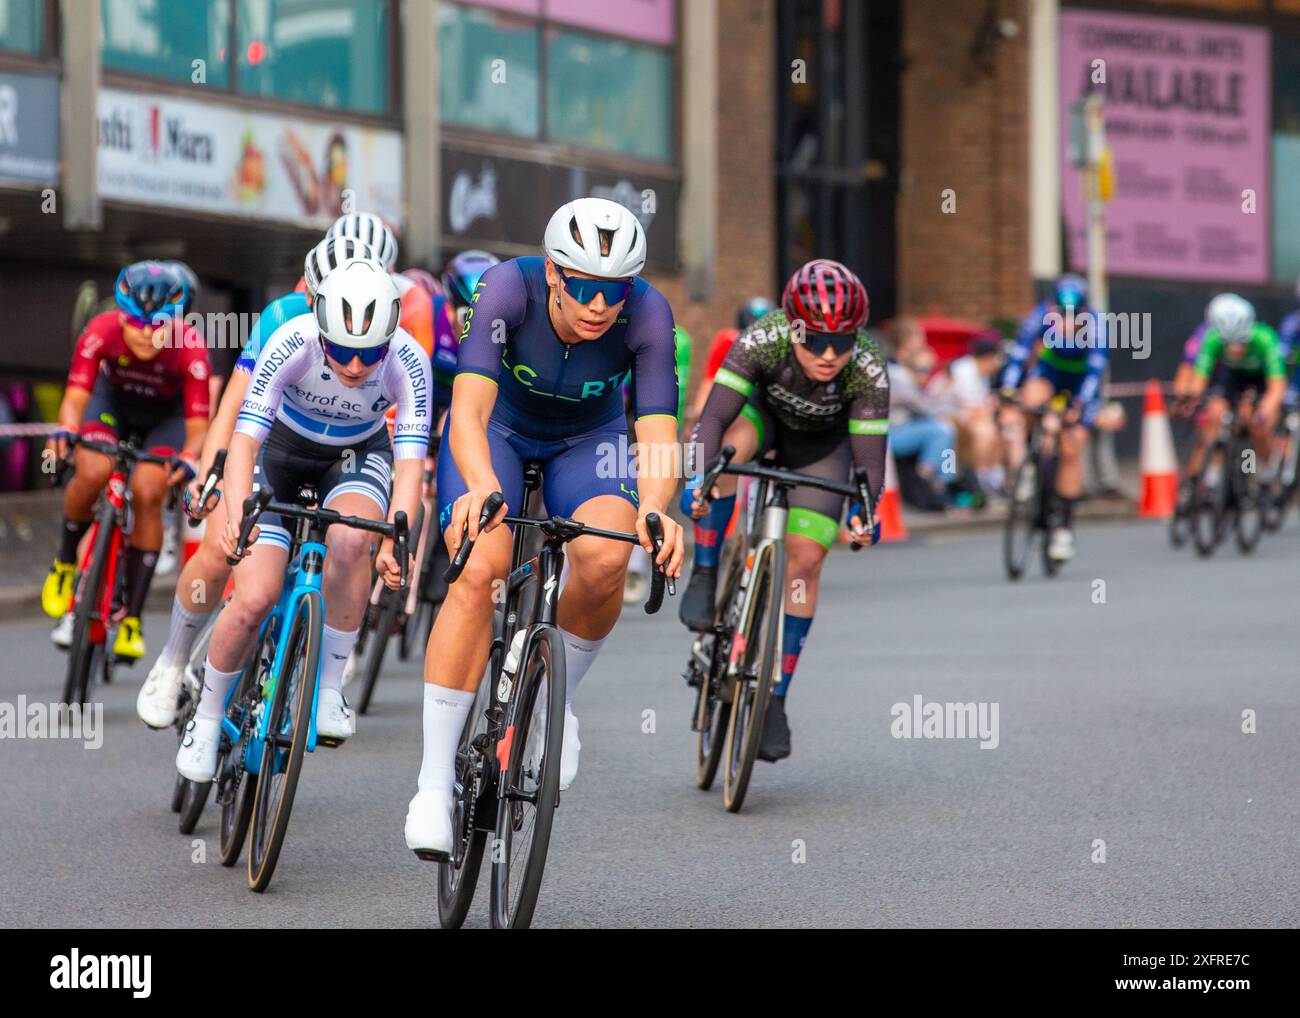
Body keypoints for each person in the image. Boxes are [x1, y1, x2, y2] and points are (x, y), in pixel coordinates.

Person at [404, 196, 685, 858]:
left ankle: (551, 705)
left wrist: (655, 508)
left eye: (612, 291)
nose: (598, 305)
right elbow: (468, 411)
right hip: (496, 432)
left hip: (588, 441)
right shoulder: (508, 288)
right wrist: (480, 487)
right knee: (479, 568)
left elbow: (658, 431)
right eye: (583, 287)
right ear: (555, 274)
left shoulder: (646, 313)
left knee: (609, 557)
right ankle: (431, 784)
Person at [174, 260, 431, 780]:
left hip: (357, 456)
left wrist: (393, 539)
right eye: (341, 351)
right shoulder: (292, 341)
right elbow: (244, 443)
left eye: (369, 353)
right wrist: (238, 511)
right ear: (320, 329)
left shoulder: (410, 360)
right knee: (254, 597)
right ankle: (205, 719)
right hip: (279, 452)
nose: (356, 366)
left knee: (354, 540)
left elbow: (408, 468)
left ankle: (331, 689)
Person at [136, 234, 378, 728]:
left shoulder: (373, 339)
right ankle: (174, 661)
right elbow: (237, 404)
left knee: (350, 540)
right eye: (317, 301)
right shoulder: (282, 317)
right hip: (269, 440)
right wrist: (210, 473)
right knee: (225, 544)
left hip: (340, 455)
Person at [679, 258, 887, 762]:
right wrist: (696, 478)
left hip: (823, 449)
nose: (830, 354)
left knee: (807, 561)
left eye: (843, 341)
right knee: (726, 454)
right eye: (815, 341)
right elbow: (712, 418)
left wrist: (866, 512)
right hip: (762, 422)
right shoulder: (761, 338)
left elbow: (868, 460)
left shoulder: (867, 366)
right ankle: (706, 573)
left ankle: (774, 696)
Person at [42, 262, 210, 661]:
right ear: (121, 315)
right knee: (95, 469)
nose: (146, 334)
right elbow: (76, 396)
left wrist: (189, 457)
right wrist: (66, 430)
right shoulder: (101, 328)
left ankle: (131, 618)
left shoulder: (191, 348)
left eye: (158, 326)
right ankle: (65, 563)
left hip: (164, 421)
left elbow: (198, 426)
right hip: (110, 406)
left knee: (148, 490)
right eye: (136, 323)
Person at [998, 272, 1107, 561]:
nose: (1066, 322)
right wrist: (1008, 389)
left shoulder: (1096, 325)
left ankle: (1063, 528)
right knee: (1028, 399)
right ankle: (1028, 465)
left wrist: (1080, 405)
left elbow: (1095, 373)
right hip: (1051, 373)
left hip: (1081, 382)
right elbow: (1020, 355)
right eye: (1061, 315)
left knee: (1071, 445)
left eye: (1073, 316)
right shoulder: (1040, 316)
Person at [1185, 293, 1285, 476]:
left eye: (1241, 342)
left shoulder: (1265, 338)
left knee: (1259, 426)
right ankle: (1212, 476)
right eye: (1228, 344)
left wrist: (1265, 411)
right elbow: (1199, 380)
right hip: (1233, 377)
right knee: (1214, 413)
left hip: (1261, 379)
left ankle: (1265, 474)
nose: (1234, 350)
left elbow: (1277, 388)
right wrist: (1190, 399)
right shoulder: (1212, 339)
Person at [886, 318, 956, 509]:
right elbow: (923, 406)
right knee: (943, 430)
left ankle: (946, 480)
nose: (924, 343)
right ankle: (928, 478)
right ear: (908, 342)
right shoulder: (895, 373)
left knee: (947, 430)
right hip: (892, 432)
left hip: (908, 427)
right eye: (920, 338)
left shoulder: (905, 369)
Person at [927, 331, 1005, 497]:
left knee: (993, 429)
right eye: (997, 357)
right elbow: (974, 408)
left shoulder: (981, 373)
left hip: (959, 415)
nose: (999, 363)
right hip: (940, 415)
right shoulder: (963, 369)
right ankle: (979, 478)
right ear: (988, 357)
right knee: (984, 431)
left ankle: (988, 476)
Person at [687, 297, 775, 427]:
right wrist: (698, 417)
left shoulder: (780, 350)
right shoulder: (727, 341)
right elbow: (710, 381)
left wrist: (698, 417)